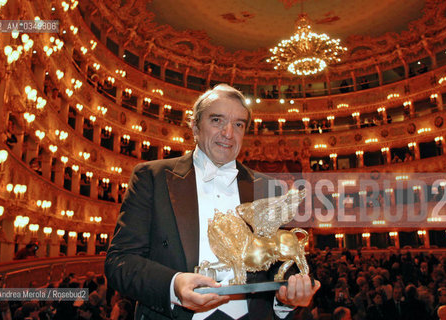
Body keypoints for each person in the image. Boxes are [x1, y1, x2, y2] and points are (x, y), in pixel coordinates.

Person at [105, 84, 320, 320]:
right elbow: (120, 262)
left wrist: (286, 303)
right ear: (195, 127)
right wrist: (173, 285)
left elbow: (278, 267)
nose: (228, 132)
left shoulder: (269, 188)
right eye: (217, 120)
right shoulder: (151, 177)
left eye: (238, 124)